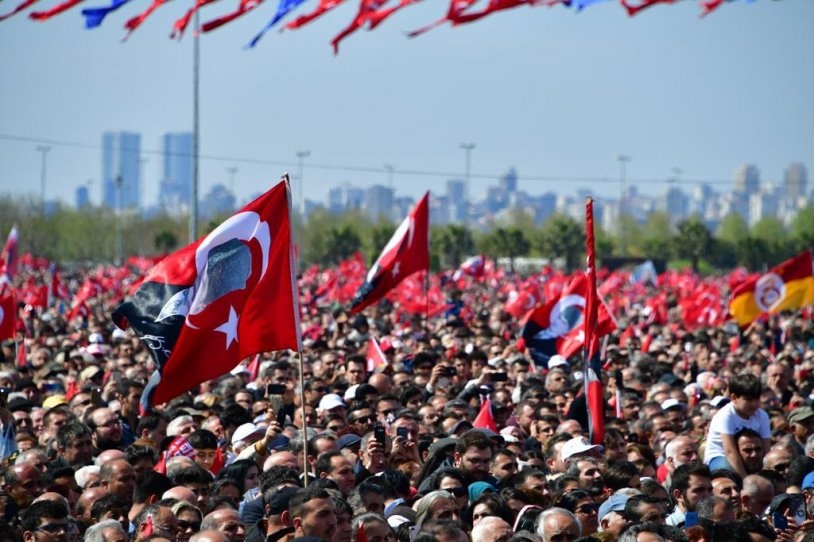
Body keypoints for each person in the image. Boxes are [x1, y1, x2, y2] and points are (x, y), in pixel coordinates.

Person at [703, 374, 770, 478]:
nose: (754, 404)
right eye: (748, 400)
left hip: (749, 454)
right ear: (734, 398)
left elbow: (766, 448)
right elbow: (730, 451)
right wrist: (745, 480)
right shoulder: (726, 415)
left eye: (756, 399)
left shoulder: (762, 415)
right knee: (728, 473)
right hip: (721, 455)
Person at [667, 463, 712, 527]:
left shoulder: (716, 522)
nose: (707, 495)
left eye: (710, 490)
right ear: (679, 495)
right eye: (699, 490)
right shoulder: (668, 527)